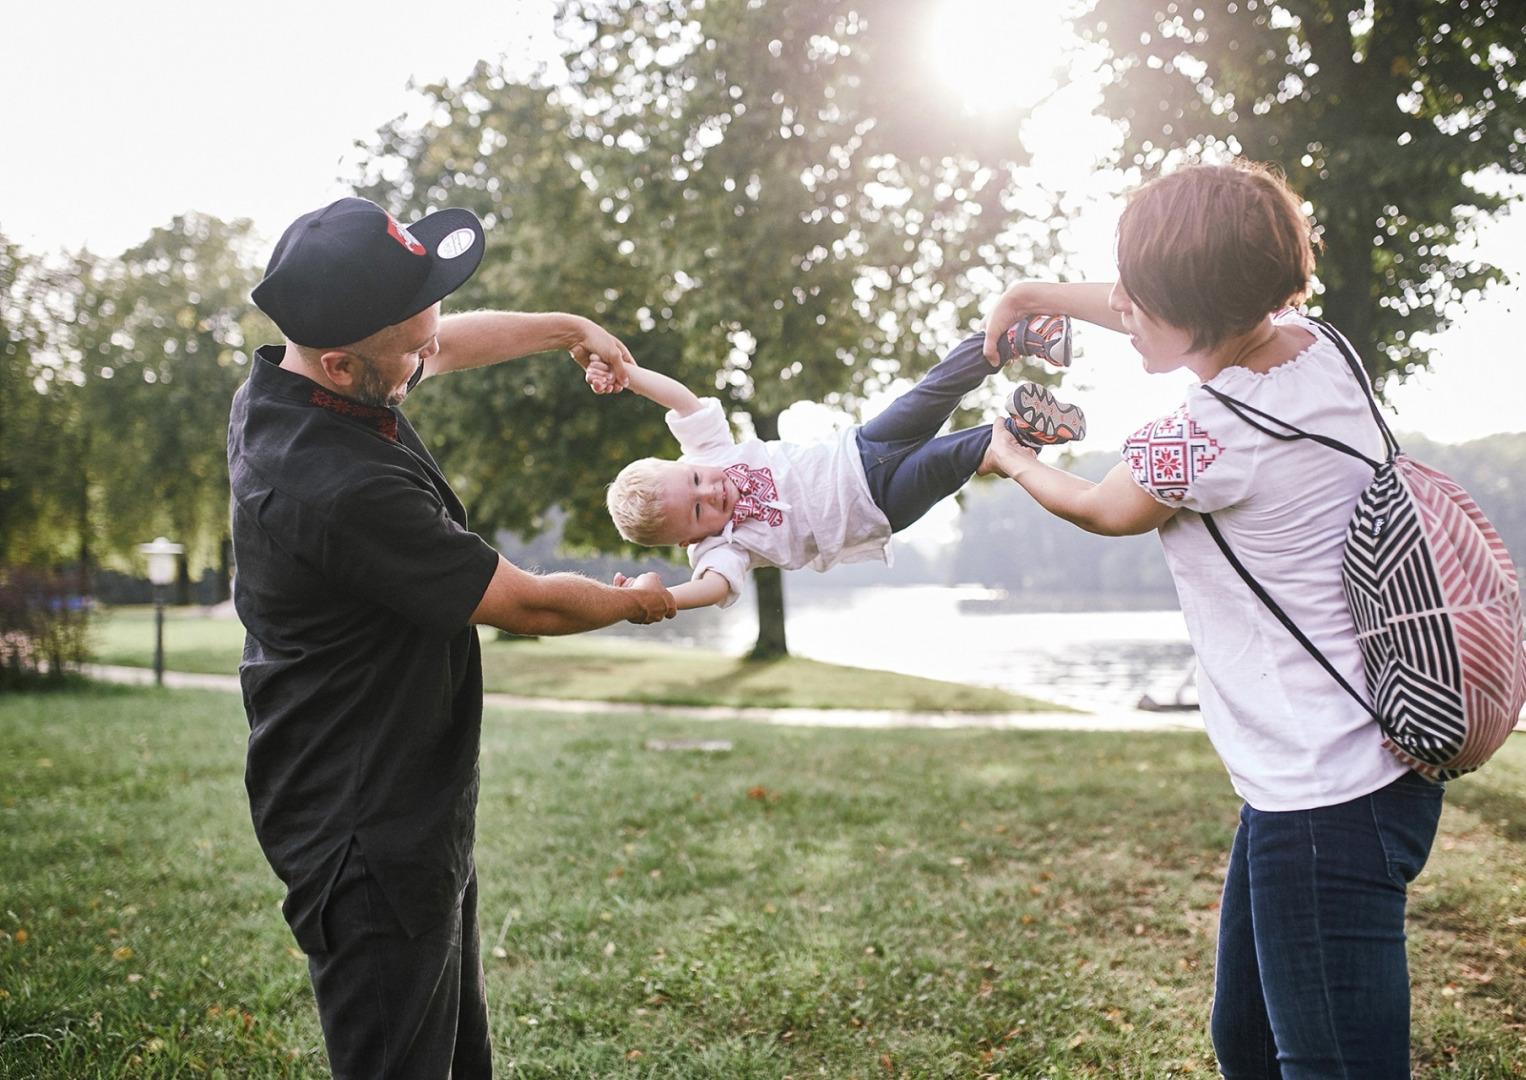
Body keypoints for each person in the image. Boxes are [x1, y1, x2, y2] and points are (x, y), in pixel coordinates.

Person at [978, 161, 1445, 1078]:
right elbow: (1159, 303)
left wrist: (1010, 457)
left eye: (1135, 298)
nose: (1118, 309)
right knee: (1245, 1040)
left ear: (1193, 312)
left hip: (1326, 792)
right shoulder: (1319, 348)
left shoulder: (1204, 434)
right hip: (1343, 770)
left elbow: (1099, 508)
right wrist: (1033, 295)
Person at [228, 195, 677, 1079]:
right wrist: (645, 600)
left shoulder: (305, 379)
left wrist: (566, 329)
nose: (431, 355)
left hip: (410, 803)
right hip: (365, 835)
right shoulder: (335, 483)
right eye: (413, 349)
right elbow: (529, 605)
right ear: (341, 361)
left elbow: (442, 340)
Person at [595, 323, 1086, 610]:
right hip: (881, 509)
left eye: (696, 481)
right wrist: (660, 600)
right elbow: (712, 588)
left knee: (935, 390)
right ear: (689, 539)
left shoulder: (710, 452)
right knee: (957, 456)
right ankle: (1023, 431)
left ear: (686, 463)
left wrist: (627, 375)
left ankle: (1020, 337)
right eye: (700, 511)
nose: (713, 493)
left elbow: (682, 401)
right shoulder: (720, 549)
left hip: (862, 446)